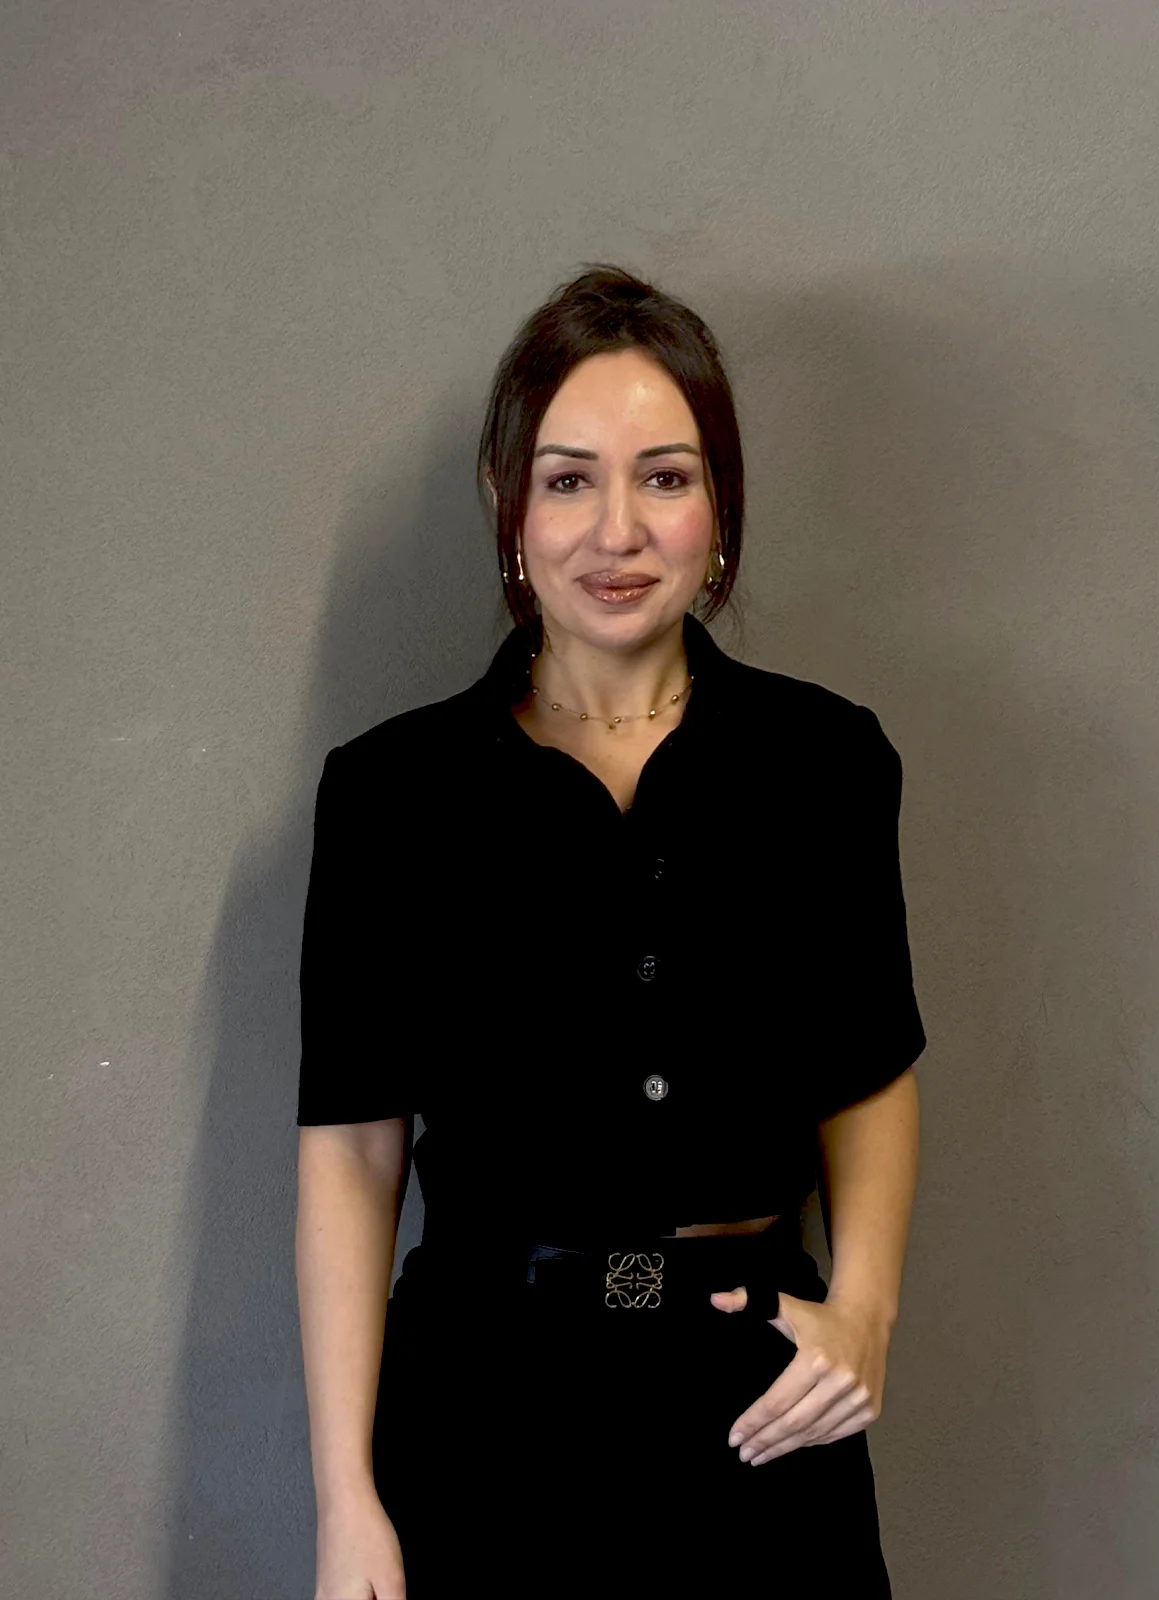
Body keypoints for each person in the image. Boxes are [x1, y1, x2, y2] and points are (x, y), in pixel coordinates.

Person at [294, 263, 926, 1599]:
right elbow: (352, 1155)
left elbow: (869, 1068)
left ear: (720, 507)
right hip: (484, 1420)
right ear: (510, 506)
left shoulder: (825, 763)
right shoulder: (392, 794)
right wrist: (348, 1499)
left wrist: (865, 1309)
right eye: (570, 480)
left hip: (760, 1405)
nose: (617, 531)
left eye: (667, 477)